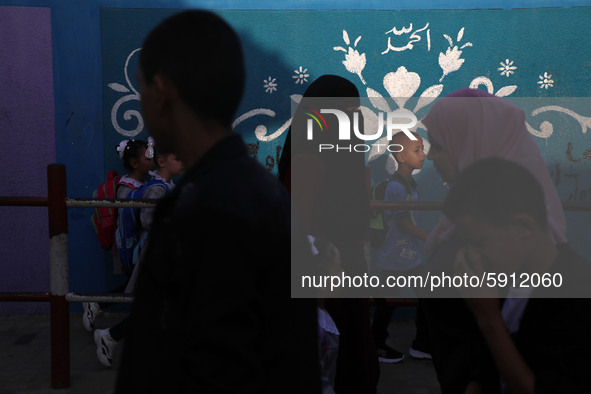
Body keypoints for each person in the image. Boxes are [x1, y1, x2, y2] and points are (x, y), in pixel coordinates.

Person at [115, 10, 320, 393]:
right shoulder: (263, 191)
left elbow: (203, 365)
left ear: (161, 92)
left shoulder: (201, 211)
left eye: (142, 89)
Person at [419, 88, 568, 393]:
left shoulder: (492, 242)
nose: (430, 155)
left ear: (472, 145)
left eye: (438, 144)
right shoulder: (478, 226)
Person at [443, 157, 591, 394]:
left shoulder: (577, 291)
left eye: (478, 243)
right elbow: (486, 369)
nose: (472, 255)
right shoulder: (509, 278)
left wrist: (488, 317)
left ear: (523, 227)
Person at [281, 74, 379, 394]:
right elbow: (302, 225)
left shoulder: (336, 153)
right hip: (326, 270)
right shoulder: (313, 156)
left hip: (340, 269)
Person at [93, 146, 183, 368]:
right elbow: (148, 219)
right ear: (161, 161)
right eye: (176, 155)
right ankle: (110, 335)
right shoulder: (157, 190)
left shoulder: (167, 187)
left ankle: (112, 336)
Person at [371, 131, 431, 363]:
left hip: (409, 257)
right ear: (401, 156)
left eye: (422, 148)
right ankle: (377, 346)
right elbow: (404, 223)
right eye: (416, 150)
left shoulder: (408, 183)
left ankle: (421, 344)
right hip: (396, 258)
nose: (423, 154)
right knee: (387, 305)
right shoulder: (396, 186)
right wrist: (431, 237)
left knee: (423, 299)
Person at [82, 138, 152, 333]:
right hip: (130, 246)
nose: (152, 159)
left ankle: (96, 305)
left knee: (134, 285)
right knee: (138, 286)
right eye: (148, 156)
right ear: (135, 163)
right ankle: (110, 330)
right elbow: (127, 221)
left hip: (139, 245)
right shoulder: (127, 188)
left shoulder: (142, 184)